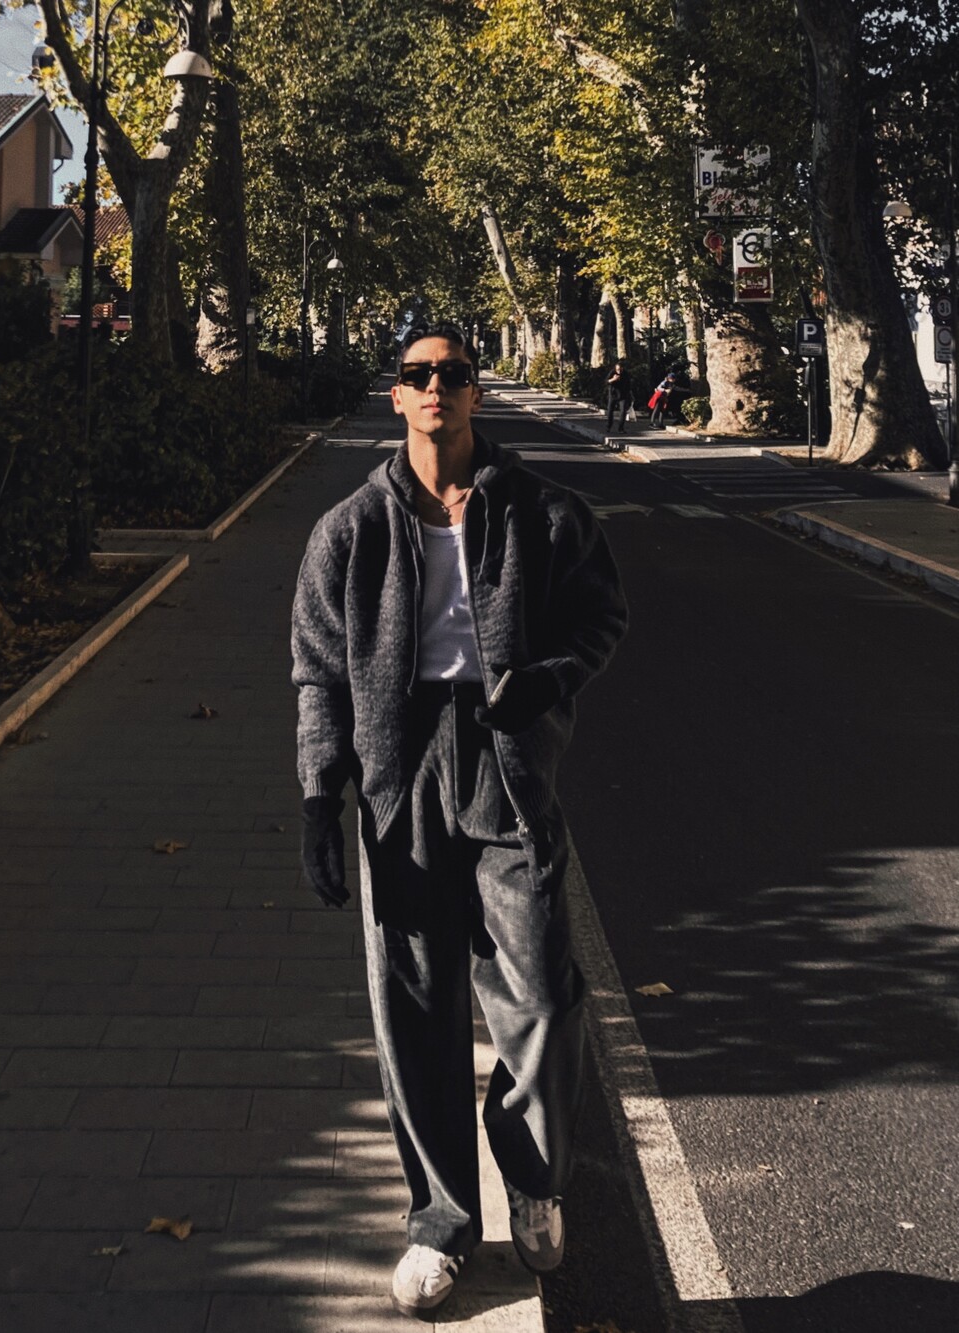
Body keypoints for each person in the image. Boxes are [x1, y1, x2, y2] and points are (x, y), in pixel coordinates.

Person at [291, 320, 627, 1320]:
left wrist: (550, 679)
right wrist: (319, 795)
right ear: (396, 394)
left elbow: (601, 618)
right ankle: (441, 1220)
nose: (435, 385)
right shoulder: (348, 529)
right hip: (398, 778)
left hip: (505, 765)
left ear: (476, 390)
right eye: (417, 373)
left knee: (544, 996)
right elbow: (317, 673)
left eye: (453, 371)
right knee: (414, 1007)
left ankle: (532, 1177)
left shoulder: (545, 514)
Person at [605, 359, 632, 432]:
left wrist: (628, 394)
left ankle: (621, 428)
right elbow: (606, 382)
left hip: (622, 395)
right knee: (610, 410)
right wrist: (613, 379)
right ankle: (609, 426)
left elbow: (629, 385)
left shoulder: (626, 374)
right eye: (617, 369)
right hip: (613, 394)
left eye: (620, 369)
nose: (619, 371)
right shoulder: (612, 372)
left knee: (623, 411)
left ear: (622, 368)